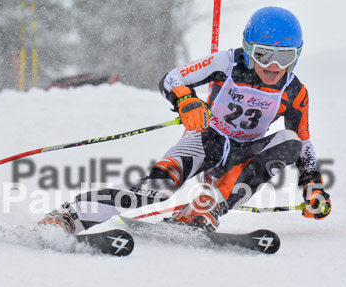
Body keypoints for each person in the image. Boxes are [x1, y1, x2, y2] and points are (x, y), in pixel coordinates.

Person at [40, 6, 331, 234]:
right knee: (156, 190)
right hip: (205, 139)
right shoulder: (228, 62)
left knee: (290, 140)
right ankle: (71, 217)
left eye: (284, 56)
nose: (273, 66)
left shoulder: (294, 91)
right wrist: (186, 100)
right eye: (264, 54)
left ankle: (204, 208)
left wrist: (312, 184)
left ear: (297, 55)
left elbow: (303, 142)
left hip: (244, 156)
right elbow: (173, 77)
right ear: (248, 48)